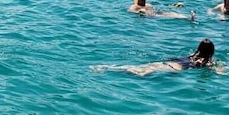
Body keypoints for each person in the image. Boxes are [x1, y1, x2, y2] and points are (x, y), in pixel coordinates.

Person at [91, 38, 219, 76]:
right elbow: (219, 71)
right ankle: (108, 70)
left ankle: (108, 68)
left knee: (139, 68)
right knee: (141, 73)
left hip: (166, 63)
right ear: (211, 51)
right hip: (174, 68)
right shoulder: (207, 62)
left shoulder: (191, 55)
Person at [128, 0, 194, 20]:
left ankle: (188, 18)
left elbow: (157, 9)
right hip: (149, 17)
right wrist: (139, 12)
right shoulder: (134, 7)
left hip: (155, 14)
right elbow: (130, 12)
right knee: (167, 17)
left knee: (171, 13)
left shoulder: (149, 5)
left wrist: (173, 6)